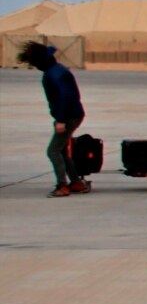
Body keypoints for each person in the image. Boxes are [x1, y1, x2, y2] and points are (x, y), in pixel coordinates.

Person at [17, 41, 90, 197]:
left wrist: (61, 120)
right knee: (61, 150)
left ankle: (62, 186)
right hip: (72, 114)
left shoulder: (55, 74)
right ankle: (76, 182)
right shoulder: (56, 70)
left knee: (53, 151)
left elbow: (65, 97)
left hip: (69, 116)